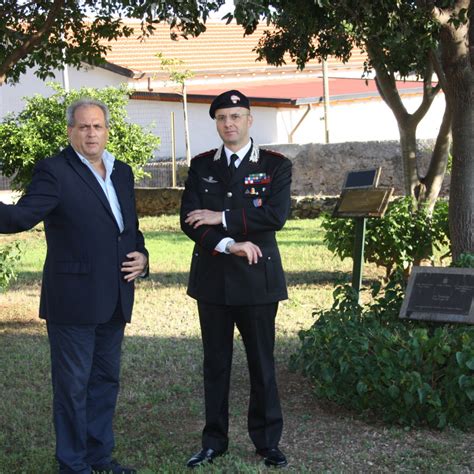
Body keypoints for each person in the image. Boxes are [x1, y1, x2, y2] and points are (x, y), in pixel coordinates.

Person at [0, 99, 148, 474]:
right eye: (83, 127)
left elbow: (128, 228)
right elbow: (21, 216)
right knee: (72, 387)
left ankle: (99, 458)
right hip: (74, 301)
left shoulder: (122, 172)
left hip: (115, 296)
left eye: (97, 126)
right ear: (70, 131)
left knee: (104, 382)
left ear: (107, 130)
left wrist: (142, 256)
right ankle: (73, 464)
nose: (91, 133)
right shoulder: (55, 171)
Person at [180, 90, 292, 469]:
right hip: (213, 280)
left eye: (236, 116)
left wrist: (221, 216)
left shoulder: (276, 165)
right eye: (223, 118)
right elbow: (190, 221)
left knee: (262, 363)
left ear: (249, 120)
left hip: (258, 281)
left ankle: (266, 442)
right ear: (216, 123)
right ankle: (214, 441)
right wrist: (228, 242)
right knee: (216, 364)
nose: (229, 123)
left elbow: (275, 215)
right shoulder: (200, 165)